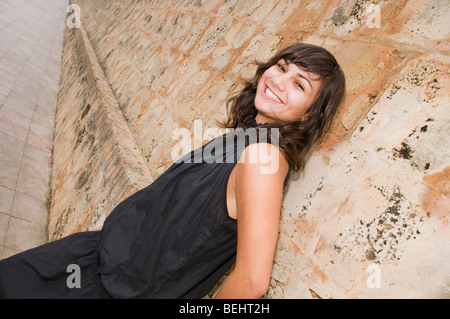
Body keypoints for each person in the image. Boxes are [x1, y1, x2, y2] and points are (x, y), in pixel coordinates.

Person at [0, 42, 345, 299]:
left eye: (300, 85)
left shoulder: (263, 160)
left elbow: (253, 281)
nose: (279, 81)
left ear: (308, 115)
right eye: (281, 67)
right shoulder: (246, 137)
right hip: (92, 258)